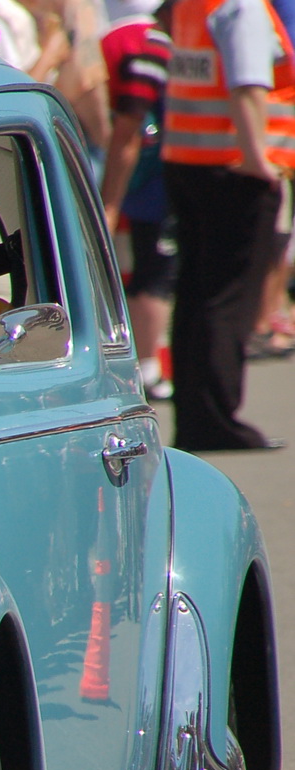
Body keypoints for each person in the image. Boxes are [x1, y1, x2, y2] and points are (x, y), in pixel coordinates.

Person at [162, 0, 295, 449]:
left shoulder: (195, 6)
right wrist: (260, 164)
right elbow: (248, 86)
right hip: (236, 169)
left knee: (197, 297)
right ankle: (216, 419)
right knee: (227, 301)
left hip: (190, 161)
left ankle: (197, 417)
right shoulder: (243, 8)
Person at [99, 0, 176, 399]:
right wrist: (109, 201)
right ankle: (147, 366)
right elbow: (130, 128)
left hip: (131, 182)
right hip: (143, 186)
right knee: (154, 272)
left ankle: (144, 363)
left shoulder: (112, 37)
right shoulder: (149, 44)